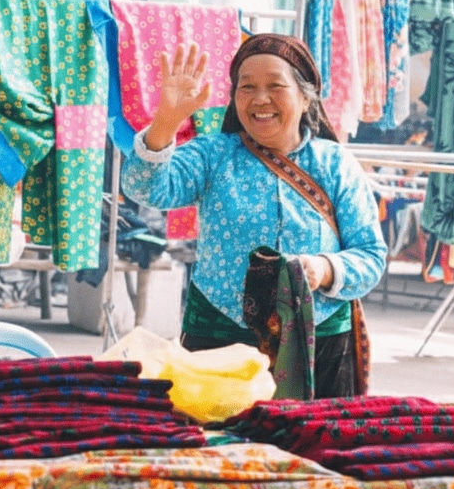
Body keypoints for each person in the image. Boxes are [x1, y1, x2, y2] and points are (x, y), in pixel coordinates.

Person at [121, 33, 387, 398]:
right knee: (219, 448)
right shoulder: (213, 155)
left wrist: (324, 269)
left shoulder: (335, 164)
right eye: (246, 87)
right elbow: (144, 188)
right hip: (219, 336)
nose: (260, 99)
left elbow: (371, 256)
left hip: (318, 339)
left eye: (275, 86)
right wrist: (166, 120)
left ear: (306, 95)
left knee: (315, 445)